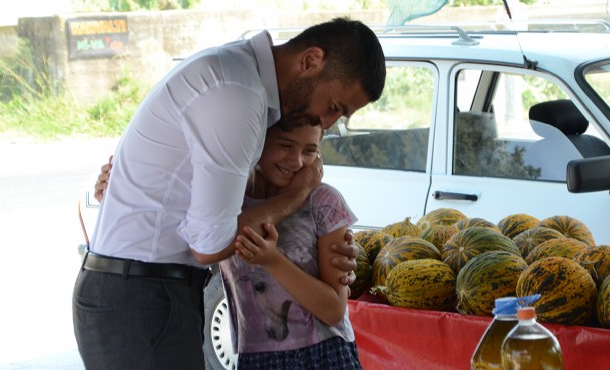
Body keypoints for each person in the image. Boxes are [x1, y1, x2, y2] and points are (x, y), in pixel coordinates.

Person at [72, 17, 386, 370]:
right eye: (333, 106)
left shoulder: (237, 75)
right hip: (140, 298)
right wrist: (296, 196)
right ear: (311, 61)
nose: (326, 123)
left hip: (144, 292)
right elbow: (209, 244)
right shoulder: (239, 92)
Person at [225, 122, 361, 369]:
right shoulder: (229, 205)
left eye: (309, 150)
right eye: (285, 145)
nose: (296, 161)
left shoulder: (324, 202)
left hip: (324, 356)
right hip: (256, 358)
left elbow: (333, 310)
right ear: (258, 141)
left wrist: (272, 261)